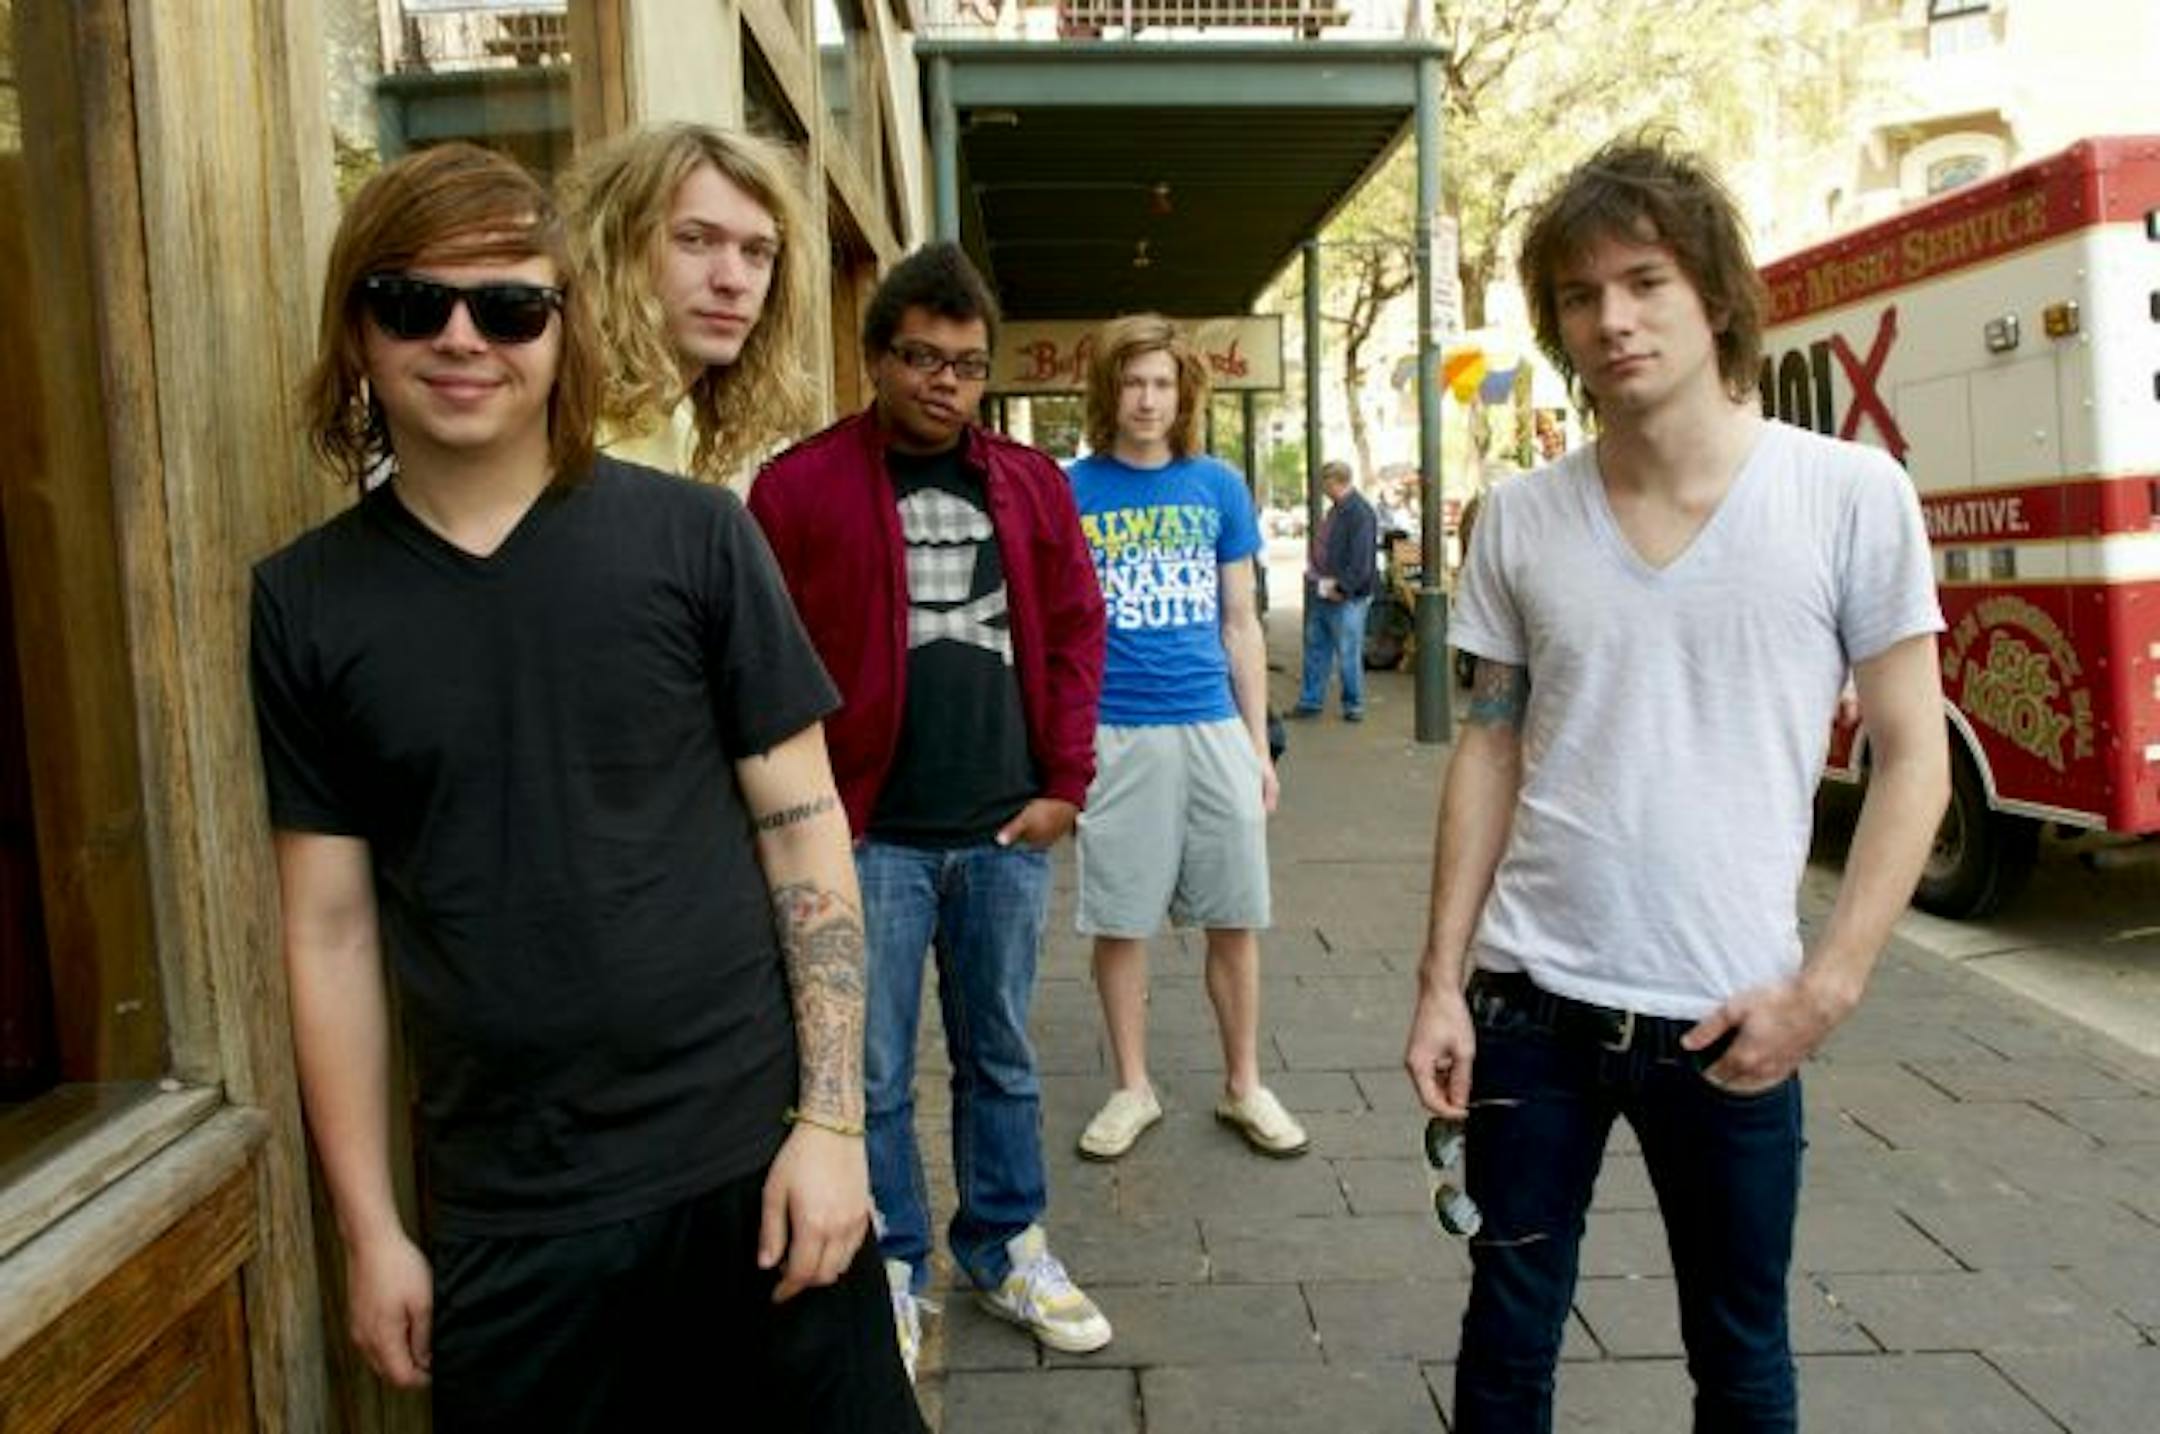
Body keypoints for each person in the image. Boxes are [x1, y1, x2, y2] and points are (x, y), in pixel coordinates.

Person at [253, 143, 918, 1431]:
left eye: (509, 307)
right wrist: (371, 1230)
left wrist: (834, 1129)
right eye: (413, 303)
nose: (462, 339)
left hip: (753, 1173)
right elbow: (328, 931)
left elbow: (804, 838)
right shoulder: (305, 602)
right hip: (509, 1216)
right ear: (357, 329)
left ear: (565, 332)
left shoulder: (696, 538)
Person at [1401, 134, 1949, 1433]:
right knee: (1505, 1344)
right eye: (1580, 296)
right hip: (1531, 1007)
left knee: (1742, 1357)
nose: (1614, 320)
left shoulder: (1848, 494)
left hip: (1733, 1020)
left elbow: (1914, 753)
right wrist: (1440, 981)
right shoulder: (1519, 517)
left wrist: (1829, 985)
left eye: (1645, 281)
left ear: (1714, 294)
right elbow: (1490, 740)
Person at [748, 243, 1112, 1369]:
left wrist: (1065, 785)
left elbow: (1075, 631)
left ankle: (1004, 1245)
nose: (944, 382)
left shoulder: (1032, 483)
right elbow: (763, 666)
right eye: (920, 357)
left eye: (966, 364)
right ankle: (896, 1265)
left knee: (1001, 1054)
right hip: (867, 837)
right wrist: (812, 822)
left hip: (1005, 832)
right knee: (871, 1071)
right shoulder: (797, 489)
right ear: (875, 357)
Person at [1066, 313, 1308, 1166]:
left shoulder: (1218, 486)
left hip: (1211, 726)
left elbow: (1241, 623)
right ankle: (1132, 1087)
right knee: (1120, 921)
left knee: (1235, 917)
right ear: (1110, 391)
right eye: (1133, 382)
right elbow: (1057, 630)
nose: (1147, 399)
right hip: (1116, 732)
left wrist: (1256, 748)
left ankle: (1245, 1084)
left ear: (1184, 393)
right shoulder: (1072, 490)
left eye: (1162, 383)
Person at [560, 122, 817, 484]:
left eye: (756, 251)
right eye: (695, 240)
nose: (732, 281)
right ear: (619, 248)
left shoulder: (683, 425)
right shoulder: (558, 416)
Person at [1291, 459, 1380, 722]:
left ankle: (1351, 705)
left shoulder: (1359, 513)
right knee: (1318, 647)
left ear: (1335, 482)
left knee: (1346, 650)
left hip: (1345, 594)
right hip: (1327, 587)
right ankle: (1312, 700)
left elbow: (1361, 560)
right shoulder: (1341, 510)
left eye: (1325, 483)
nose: (1322, 489)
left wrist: (1343, 587)